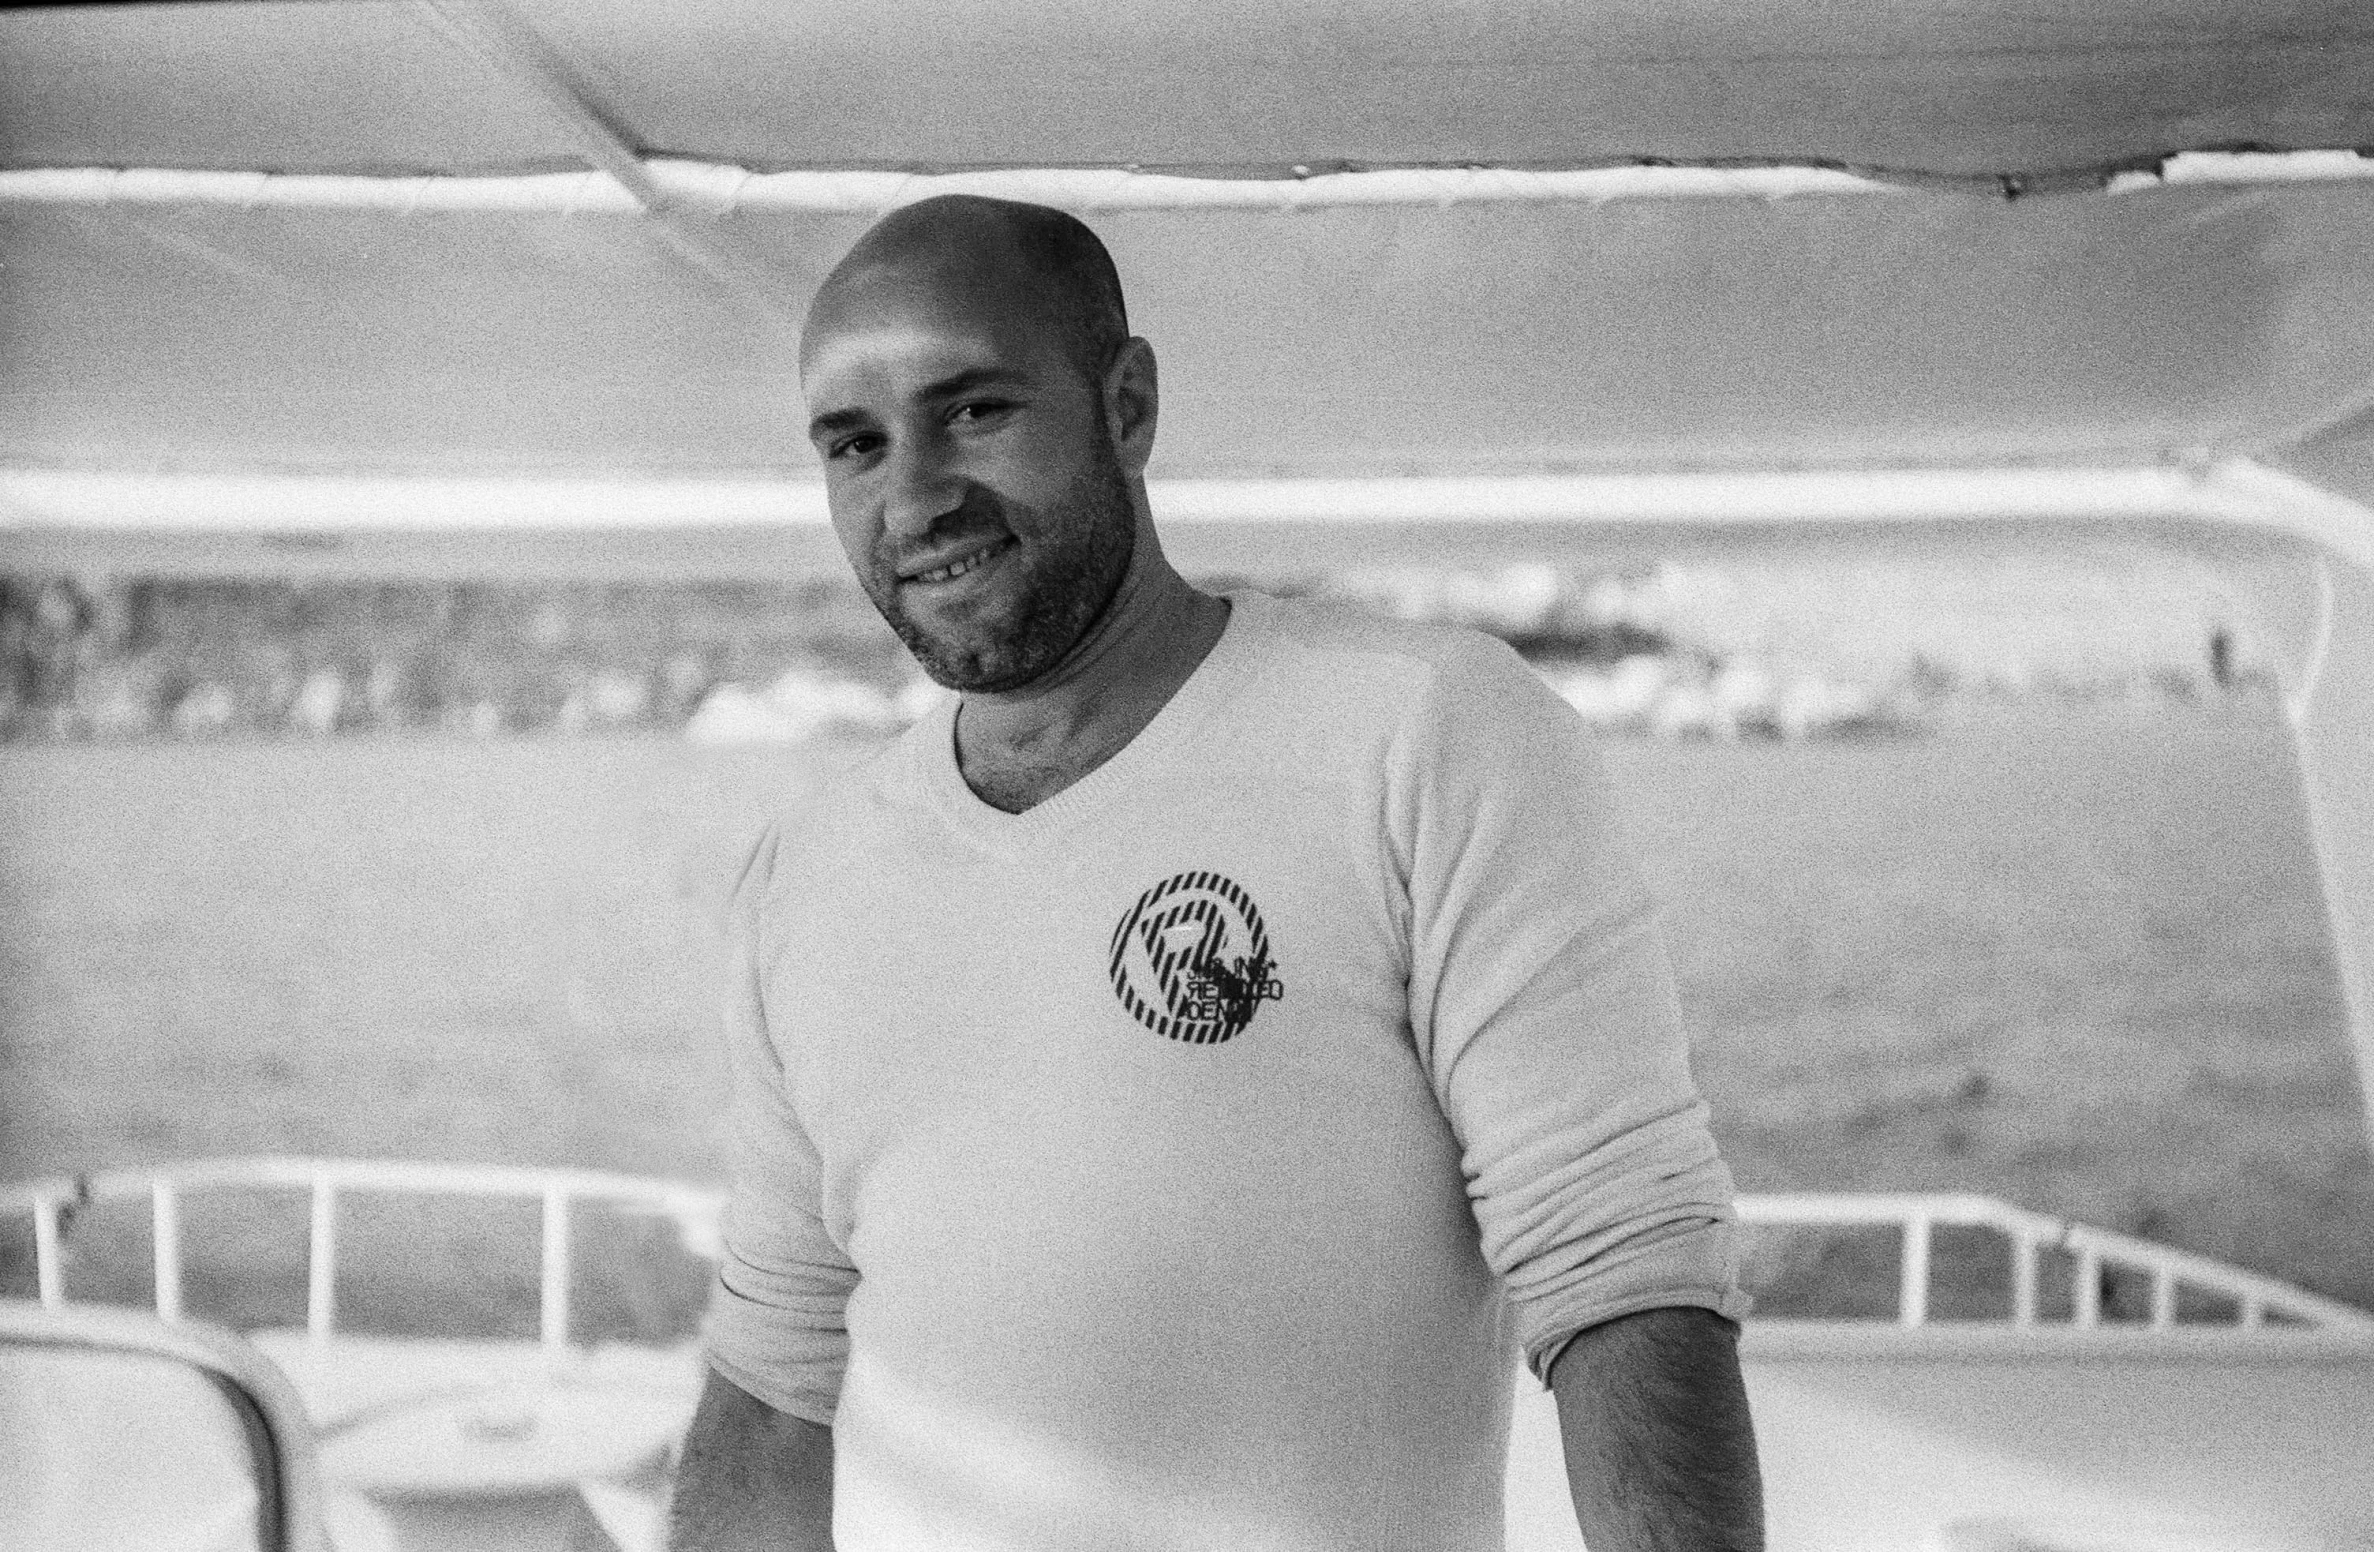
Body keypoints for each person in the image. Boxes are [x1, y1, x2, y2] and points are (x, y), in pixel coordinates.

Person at [670, 194, 1763, 1552]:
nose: (913, 497)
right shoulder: (806, 871)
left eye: (974, 412)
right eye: (855, 443)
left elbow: (1620, 1274)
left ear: (1126, 406)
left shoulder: (1422, 731)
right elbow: (774, 1377)